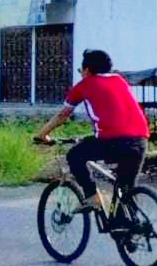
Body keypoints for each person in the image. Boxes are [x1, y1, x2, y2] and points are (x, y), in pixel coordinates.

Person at [34, 49, 149, 212]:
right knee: (124, 189)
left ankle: (92, 197)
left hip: (112, 141)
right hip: (140, 140)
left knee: (74, 155)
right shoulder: (120, 80)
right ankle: (129, 227)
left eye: (81, 70)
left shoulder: (84, 86)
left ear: (87, 70)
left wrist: (42, 135)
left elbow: (62, 115)